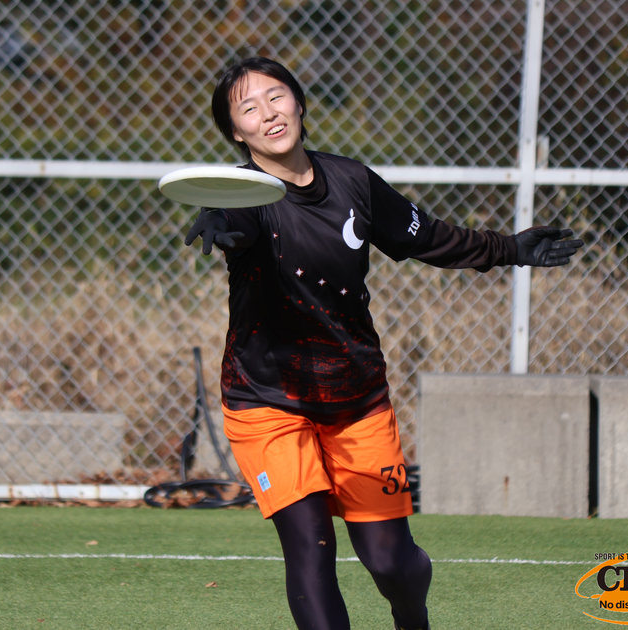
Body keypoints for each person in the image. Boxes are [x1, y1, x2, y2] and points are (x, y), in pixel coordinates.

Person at [184, 56, 582, 630]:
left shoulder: (353, 181)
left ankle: (411, 615)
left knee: (391, 562)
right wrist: (221, 220)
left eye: (276, 96)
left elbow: (428, 237)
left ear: (299, 102)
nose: (268, 113)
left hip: (357, 400)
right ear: (236, 134)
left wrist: (510, 249)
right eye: (248, 108)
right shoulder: (240, 197)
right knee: (309, 547)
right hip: (266, 401)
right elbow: (234, 222)